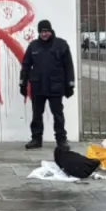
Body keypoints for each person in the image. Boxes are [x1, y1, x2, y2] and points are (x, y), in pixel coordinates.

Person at [19, 19, 76, 151]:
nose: (44, 34)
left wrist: (70, 85)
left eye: (46, 31)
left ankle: (61, 140)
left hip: (55, 86)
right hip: (37, 86)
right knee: (37, 114)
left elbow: (68, 66)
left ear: (50, 31)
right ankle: (36, 139)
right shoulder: (33, 46)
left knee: (58, 114)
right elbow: (26, 65)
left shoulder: (61, 45)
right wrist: (23, 83)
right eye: (42, 32)